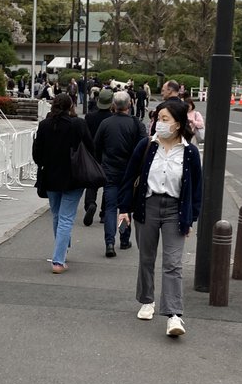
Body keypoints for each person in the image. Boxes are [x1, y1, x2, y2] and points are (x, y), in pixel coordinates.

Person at [117, 99, 203, 338]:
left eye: (165, 119)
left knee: (173, 263)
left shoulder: (189, 152)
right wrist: (124, 208)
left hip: (176, 210)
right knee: (147, 257)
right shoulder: (146, 146)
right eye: (157, 118)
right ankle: (147, 300)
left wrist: (191, 218)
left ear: (178, 124)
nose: (159, 123)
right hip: (148, 205)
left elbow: (197, 189)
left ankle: (174, 315)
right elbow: (129, 177)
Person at [32, 92, 95, 273]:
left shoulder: (44, 125)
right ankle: (58, 260)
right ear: (71, 106)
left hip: (51, 176)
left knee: (58, 215)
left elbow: (37, 153)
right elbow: (91, 148)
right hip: (74, 176)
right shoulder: (78, 124)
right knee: (66, 217)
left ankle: (62, 250)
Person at [94, 90, 146, 256]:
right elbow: (144, 147)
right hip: (129, 172)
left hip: (110, 170)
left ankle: (109, 242)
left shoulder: (106, 124)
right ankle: (124, 239)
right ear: (129, 104)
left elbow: (96, 147)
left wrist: (102, 161)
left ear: (113, 106)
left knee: (110, 207)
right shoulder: (135, 123)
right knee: (125, 207)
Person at [83, 88, 114, 225]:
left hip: (92, 154)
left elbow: (85, 136)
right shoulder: (112, 119)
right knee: (107, 185)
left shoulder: (90, 117)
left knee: (92, 183)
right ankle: (104, 213)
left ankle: (90, 203)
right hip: (108, 155)